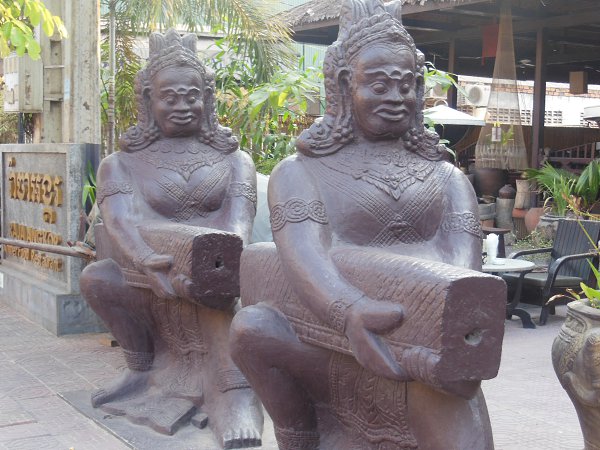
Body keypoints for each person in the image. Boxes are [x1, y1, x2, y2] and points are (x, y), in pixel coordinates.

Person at [230, 1, 497, 449]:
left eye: (405, 85)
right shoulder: (299, 173)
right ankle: (301, 438)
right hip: (333, 337)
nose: (395, 97)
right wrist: (349, 311)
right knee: (251, 329)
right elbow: (305, 255)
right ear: (343, 84)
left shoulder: (448, 178)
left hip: (419, 342)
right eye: (378, 85)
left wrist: (429, 320)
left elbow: (462, 268)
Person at [80, 29, 262, 448]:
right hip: (150, 272)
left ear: (207, 100)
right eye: (170, 97)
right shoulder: (120, 164)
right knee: (97, 278)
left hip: (213, 274)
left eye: (191, 97)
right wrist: (145, 258)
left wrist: (212, 265)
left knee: (216, 295)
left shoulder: (235, 160)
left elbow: (239, 221)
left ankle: (232, 391)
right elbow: (120, 221)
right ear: (149, 101)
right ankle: (140, 368)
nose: (182, 106)